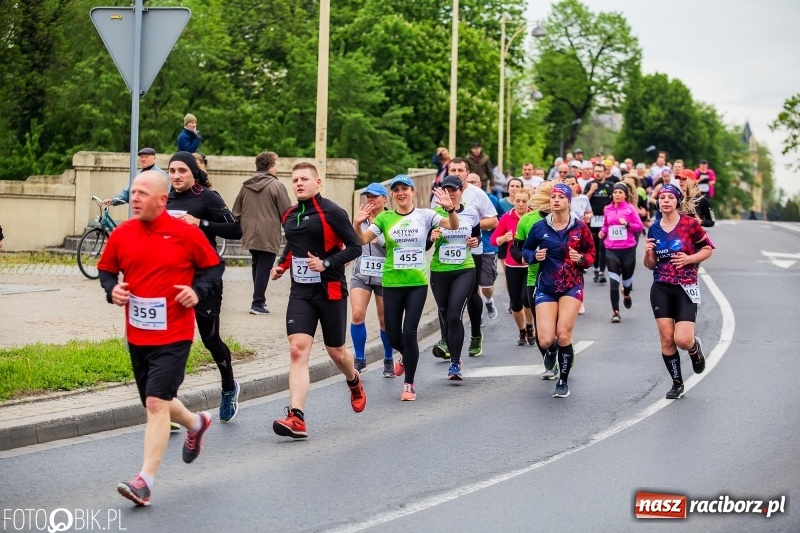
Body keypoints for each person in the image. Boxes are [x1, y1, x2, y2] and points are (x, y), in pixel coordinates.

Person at [97, 171, 224, 506]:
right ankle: (197, 423)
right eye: (133, 192)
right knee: (158, 401)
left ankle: (144, 481)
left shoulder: (185, 234)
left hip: (175, 335)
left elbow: (213, 268)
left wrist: (197, 291)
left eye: (142, 193)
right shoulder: (123, 234)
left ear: (162, 200)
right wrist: (114, 290)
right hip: (138, 334)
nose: (134, 198)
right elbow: (106, 269)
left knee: (155, 403)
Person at [270, 162, 366, 438]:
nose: (299, 183)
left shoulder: (332, 212)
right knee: (297, 350)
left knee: (336, 352)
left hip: (331, 291)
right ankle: (296, 417)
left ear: (317, 182)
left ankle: (353, 380)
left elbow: (355, 247)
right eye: (295, 179)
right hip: (301, 293)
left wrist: (326, 263)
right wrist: (281, 265)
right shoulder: (289, 214)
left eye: (304, 179)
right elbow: (293, 245)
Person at [354, 174, 460, 401]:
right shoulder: (385, 218)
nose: (401, 193)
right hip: (391, 283)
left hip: (416, 284)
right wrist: (356, 223)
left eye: (405, 188)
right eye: (396, 190)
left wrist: (450, 209)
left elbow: (452, 226)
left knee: (410, 333)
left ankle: (409, 383)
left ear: (413, 192)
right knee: (393, 337)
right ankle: (406, 357)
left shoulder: (425, 215)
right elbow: (362, 240)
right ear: (392, 195)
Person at [165, 151, 243, 422]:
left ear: (193, 173)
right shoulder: (166, 199)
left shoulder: (207, 197)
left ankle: (228, 387)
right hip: (174, 282)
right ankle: (170, 405)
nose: (176, 176)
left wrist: (202, 223)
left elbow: (236, 230)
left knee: (210, 339)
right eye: (172, 171)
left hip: (204, 281)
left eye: (182, 171)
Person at [522, 183, 595, 398]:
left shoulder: (580, 227)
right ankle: (551, 351)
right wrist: (534, 257)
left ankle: (562, 381)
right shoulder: (540, 227)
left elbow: (591, 254)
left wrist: (581, 259)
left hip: (572, 286)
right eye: (553, 196)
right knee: (545, 340)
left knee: (563, 334)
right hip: (546, 286)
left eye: (561, 197)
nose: (556, 200)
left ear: (569, 202)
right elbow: (525, 249)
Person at [643, 183, 713, 400]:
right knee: (666, 339)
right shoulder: (654, 228)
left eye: (670, 198)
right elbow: (650, 265)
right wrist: (648, 254)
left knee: (682, 339)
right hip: (661, 287)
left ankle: (694, 348)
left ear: (677, 202)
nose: (665, 201)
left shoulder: (690, 225)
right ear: (658, 202)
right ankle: (677, 383)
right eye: (662, 198)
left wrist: (689, 259)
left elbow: (708, 249)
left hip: (686, 286)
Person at [432, 160, 498, 357]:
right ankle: (446, 339)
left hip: (471, 253)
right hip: (444, 257)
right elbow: (432, 221)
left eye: (461, 170)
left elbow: (493, 220)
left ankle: (476, 335)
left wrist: (470, 232)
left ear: (467, 173)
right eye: (453, 169)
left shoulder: (477, 194)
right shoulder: (440, 195)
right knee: (445, 302)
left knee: (472, 295)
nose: (457, 172)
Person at [427, 175, 481, 380]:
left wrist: (475, 242)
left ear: (461, 192)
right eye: (446, 190)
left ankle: (455, 363)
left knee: (454, 314)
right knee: (443, 311)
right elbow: (425, 246)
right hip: (440, 271)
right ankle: (452, 350)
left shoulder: (471, 213)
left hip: (464, 269)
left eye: (454, 190)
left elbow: (477, 237)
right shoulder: (434, 215)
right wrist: (431, 239)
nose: (450, 194)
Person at [231, 151, 293, 315]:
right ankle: (257, 303)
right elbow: (287, 212)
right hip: (269, 233)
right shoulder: (277, 186)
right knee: (264, 267)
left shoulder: (246, 185)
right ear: (271, 167)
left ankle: (259, 300)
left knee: (257, 265)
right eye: (276, 165)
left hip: (250, 232)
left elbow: (236, 211)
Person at [349, 182, 395, 376]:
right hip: (361, 274)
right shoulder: (361, 217)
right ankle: (359, 359)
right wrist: (357, 224)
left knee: (384, 320)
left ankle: (388, 358)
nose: (370, 200)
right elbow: (352, 241)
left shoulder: (392, 219)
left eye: (375, 196)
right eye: (368, 196)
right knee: (357, 314)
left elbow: (398, 247)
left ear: (385, 199)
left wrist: (380, 239)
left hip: (385, 276)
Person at [491, 188, 536, 346]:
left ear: (529, 202)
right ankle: (522, 330)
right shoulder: (506, 218)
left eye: (524, 201)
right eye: (518, 201)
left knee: (527, 299)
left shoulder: (535, 217)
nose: (521, 204)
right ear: (513, 201)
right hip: (512, 265)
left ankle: (530, 327)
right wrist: (503, 238)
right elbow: (493, 240)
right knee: (516, 303)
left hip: (530, 265)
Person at [598, 182, 643, 323]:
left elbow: (639, 227)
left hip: (628, 250)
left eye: (620, 192)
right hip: (611, 250)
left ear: (625, 195)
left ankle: (627, 294)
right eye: (615, 192)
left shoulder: (630, 209)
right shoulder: (607, 209)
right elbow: (605, 224)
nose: (617, 194)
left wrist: (627, 224)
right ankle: (616, 312)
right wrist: (602, 232)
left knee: (627, 282)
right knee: (613, 282)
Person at [103, 148, 169, 206]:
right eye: (141, 157)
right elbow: (127, 193)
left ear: (154, 158)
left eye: (146, 157)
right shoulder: (137, 174)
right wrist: (113, 200)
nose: (143, 159)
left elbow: (166, 195)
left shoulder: (161, 175)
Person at [585, 162, 614, 283]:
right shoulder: (589, 184)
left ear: (604, 172)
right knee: (595, 246)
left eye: (600, 171)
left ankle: (602, 272)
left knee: (604, 246)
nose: (597, 173)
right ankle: (596, 269)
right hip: (592, 219)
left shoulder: (610, 185)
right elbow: (583, 200)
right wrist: (591, 191)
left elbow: (614, 201)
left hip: (605, 220)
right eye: (595, 171)